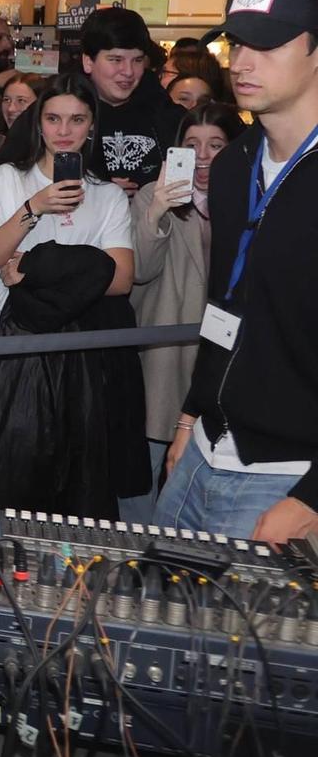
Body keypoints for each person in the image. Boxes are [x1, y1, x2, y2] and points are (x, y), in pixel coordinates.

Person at [162, 0, 318, 544]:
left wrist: (311, 499)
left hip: (284, 477)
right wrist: (189, 418)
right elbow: (224, 306)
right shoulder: (232, 167)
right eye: (237, 43)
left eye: (269, 44)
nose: (243, 63)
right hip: (203, 448)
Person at [0, 75, 143, 516]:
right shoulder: (9, 179)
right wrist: (35, 208)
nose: (65, 130)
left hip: (80, 352)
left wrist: (35, 266)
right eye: (54, 118)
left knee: (75, 484)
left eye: (77, 120)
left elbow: (120, 278)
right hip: (11, 346)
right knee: (6, 476)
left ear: (91, 127)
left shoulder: (108, 195)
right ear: (38, 124)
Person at [134, 102, 239, 477]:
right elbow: (140, 272)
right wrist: (157, 211)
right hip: (167, 348)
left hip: (224, 353)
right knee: (148, 464)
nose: (203, 156)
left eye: (216, 144)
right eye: (192, 145)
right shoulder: (152, 196)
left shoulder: (249, 201)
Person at [81, 5, 185, 191]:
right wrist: (93, 191)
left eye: (137, 60)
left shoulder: (165, 113)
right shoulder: (59, 111)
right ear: (88, 61)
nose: (128, 72)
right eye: (116, 60)